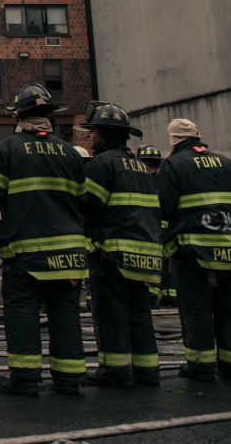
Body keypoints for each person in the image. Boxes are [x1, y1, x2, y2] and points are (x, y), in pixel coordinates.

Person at [0, 83, 88, 397]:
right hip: (69, 254)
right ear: (49, 116)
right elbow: (83, 200)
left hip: (27, 253)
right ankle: (69, 380)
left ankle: (25, 380)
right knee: (65, 315)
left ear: (19, 116)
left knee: (23, 313)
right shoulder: (70, 153)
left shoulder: (7, 149)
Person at [159, 118, 231, 382]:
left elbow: (165, 206)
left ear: (173, 140)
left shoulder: (173, 164)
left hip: (195, 252)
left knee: (197, 308)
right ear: (197, 136)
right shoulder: (227, 164)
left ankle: (201, 366)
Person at [78, 103, 162, 388]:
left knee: (111, 312)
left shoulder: (102, 165)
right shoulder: (138, 166)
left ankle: (115, 370)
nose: (90, 138)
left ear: (102, 134)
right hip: (145, 251)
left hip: (112, 253)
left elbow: (90, 205)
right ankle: (147, 370)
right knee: (139, 313)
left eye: (92, 132)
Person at [137, 145, 177, 306]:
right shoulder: (166, 178)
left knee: (154, 262)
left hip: (151, 230)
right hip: (169, 229)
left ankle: (153, 295)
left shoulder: (139, 181)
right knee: (169, 263)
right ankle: (170, 294)